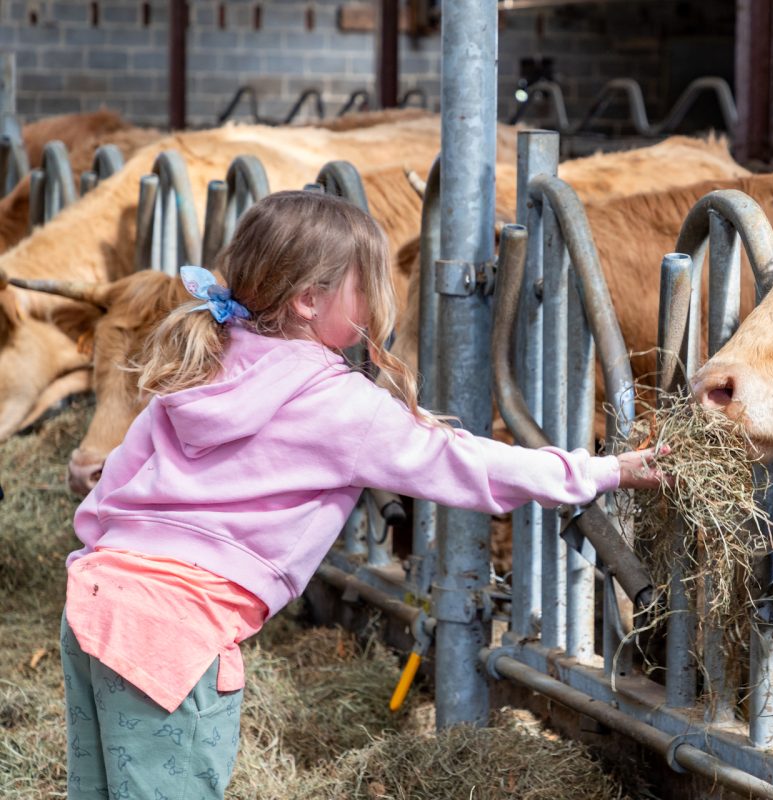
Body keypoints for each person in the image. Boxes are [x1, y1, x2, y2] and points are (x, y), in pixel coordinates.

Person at [61, 190, 667, 799]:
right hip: (173, 632)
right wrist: (604, 470)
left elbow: (114, 485)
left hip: (93, 601)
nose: (380, 301)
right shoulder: (337, 402)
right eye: (367, 284)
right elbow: (469, 464)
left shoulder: (202, 358)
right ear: (307, 300)